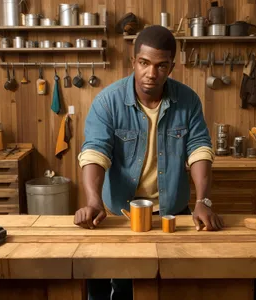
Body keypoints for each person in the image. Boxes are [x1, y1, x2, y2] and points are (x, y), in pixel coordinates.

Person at [74, 25, 223, 300]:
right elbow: (95, 152)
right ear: (133, 61)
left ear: (172, 66)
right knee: (124, 287)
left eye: (161, 66)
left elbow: (199, 149)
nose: (151, 74)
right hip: (121, 216)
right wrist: (93, 201)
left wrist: (204, 201)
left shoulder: (188, 100)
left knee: (175, 285)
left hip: (173, 214)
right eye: (144, 63)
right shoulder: (107, 102)